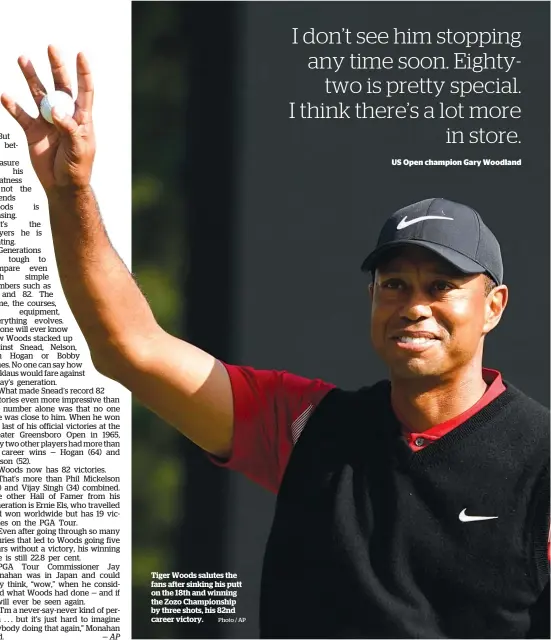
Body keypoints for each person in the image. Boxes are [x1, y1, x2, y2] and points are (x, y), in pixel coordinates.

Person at [3, 48, 549, 640]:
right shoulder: (309, 426)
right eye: (394, 285)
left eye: (442, 286)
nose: (414, 305)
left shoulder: (541, 459)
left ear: (493, 307)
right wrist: (70, 195)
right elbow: (128, 346)